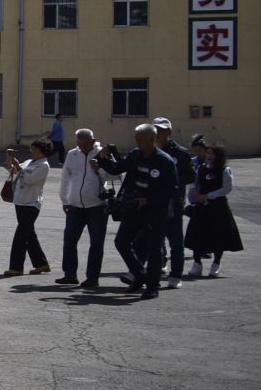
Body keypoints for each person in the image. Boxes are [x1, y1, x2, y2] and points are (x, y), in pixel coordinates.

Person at [99, 124, 177, 300]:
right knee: (121, 242)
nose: (138, 142)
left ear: (152, 139)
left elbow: (170, 190)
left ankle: (152, 287)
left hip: (155, 211)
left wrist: (148, 201)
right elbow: (118, 168)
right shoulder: (135, 155)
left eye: (141, 139)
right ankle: (140, 275)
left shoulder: (164, 161)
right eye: (136, 139)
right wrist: (103, 159)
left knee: (154, 249)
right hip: (134, 208)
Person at [57, 128, 114, 290]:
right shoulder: (72, 154)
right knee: (69, 240)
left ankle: (92, 277)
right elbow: (65, 177)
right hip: (74, 205)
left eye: (85, 144)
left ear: (93, 141)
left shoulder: (103, 154)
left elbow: (117, 175)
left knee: (96, 243)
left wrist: (101, 167)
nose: (82, 147)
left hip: (97, 206)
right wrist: (65, 200)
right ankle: (70, 275)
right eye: (79, 144)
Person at [183, 141, 242, 277]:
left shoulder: (224, 170)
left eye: (212, 154)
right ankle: (197, 263)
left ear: (219, 156)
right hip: (201, 206)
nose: (209, 156)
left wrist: (209, 195)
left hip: (218, 207)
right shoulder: (201, 168)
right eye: (208, 153)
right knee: (197, 234)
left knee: (218, 235)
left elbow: (226, 188)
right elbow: (195, 183)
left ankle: (216, 264)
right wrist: (196, 193)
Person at [152, 118, 194, 288]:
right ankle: (155, 271)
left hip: (173, 202)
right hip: (153, 202)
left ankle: (176, 275)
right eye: (155, 129)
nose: (158, 133)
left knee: (176, 242)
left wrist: (172, 181)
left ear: (168, 132)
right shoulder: (148, 150)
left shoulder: (180, 153)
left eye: (161, 130)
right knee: (154, 240)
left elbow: (191, 175)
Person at [4, 140, 52, 276]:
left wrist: (18, 167)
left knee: (20, 236)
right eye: (32, 148)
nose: (32, 151)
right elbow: (13, 171)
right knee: (29, 235)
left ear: (42, 151)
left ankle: (16, 267)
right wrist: (10, 161)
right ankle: (41, 264)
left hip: (32, 203)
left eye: (35, 149)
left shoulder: (44, 165)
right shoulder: (29, 162)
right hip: (20, 201)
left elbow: (30, 179)